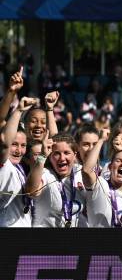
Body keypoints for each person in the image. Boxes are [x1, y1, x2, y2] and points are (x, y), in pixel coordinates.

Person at [24, 133, 91, 227]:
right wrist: (42, 156)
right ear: (50, 156)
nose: (62, 158)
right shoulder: (45, 173)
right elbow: (31, 191)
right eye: (56, 154)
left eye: (66, 153)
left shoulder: (80, 172)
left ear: (75, 154)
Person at [81, 129, 122, 228]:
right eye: (118, 161)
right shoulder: (100, 185)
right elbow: (87, 170)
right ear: (110, 167)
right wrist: (101, 140)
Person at [0, 97, 36, 227]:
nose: (19, 150)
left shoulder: (20, 168)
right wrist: (19, 110)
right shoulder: (4, 165)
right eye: (14, 144)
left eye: (23, 145)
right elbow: (5, 143)